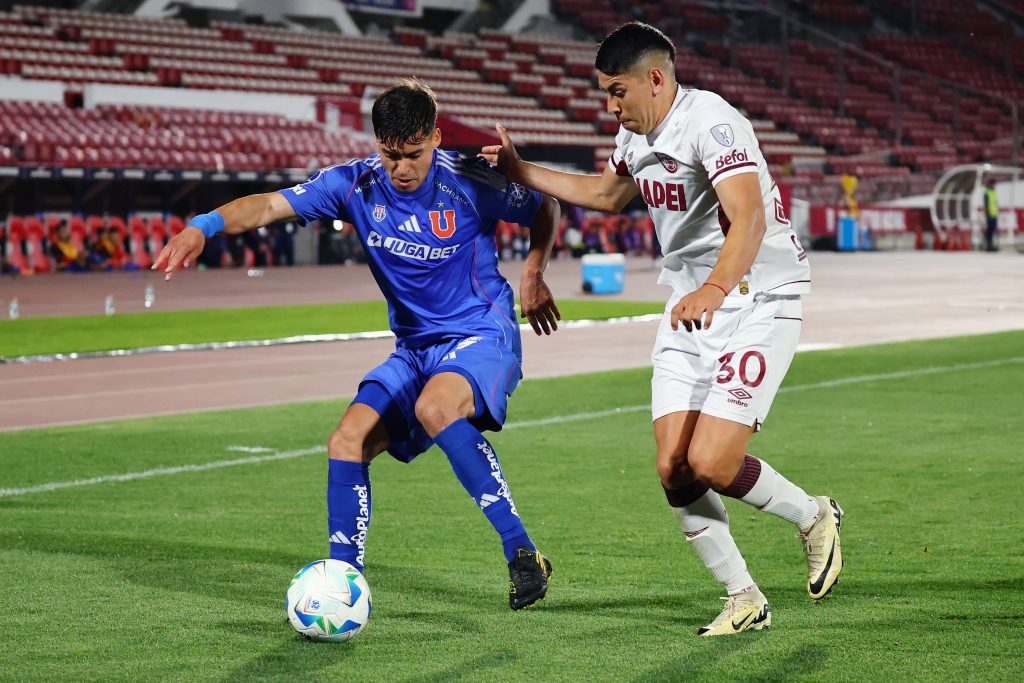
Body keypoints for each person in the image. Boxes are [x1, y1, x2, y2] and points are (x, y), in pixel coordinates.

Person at [480, 22, 843, 635]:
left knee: (712, 460)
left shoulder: (714, 123)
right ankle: (743, 599)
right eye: (603, 93)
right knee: (673, 466)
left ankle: (813, 516)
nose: (610, 105)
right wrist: (521, 170)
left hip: (758, 296)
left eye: (616, 91)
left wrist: (713, 288)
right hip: (689, 303)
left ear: (656, 78)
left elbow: (749, 221)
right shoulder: (635, 132)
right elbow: (606, 195)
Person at [153, 79, 562, 610]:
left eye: (414, 154)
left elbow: (544, 207)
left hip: (481, 331)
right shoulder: (353, 185)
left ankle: (523, 552)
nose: (402, 168)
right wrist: (203, 227)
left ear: (437, 137)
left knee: (435, 407)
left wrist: (533, 272)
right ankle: (343, 585)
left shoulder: (470, 181)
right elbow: (267, 207)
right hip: (415, 349)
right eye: (391, 154)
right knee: (346, 440)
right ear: (376, 143)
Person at [983, 176, 999, 252]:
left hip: (995, 214)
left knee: (993, 230)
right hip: (989, 214)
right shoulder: (987, 192)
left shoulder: (993, 192)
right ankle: (989, 245)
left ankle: (992, 245)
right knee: (989, 230)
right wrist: (988, 213)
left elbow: (995, 203)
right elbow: (986, 204)